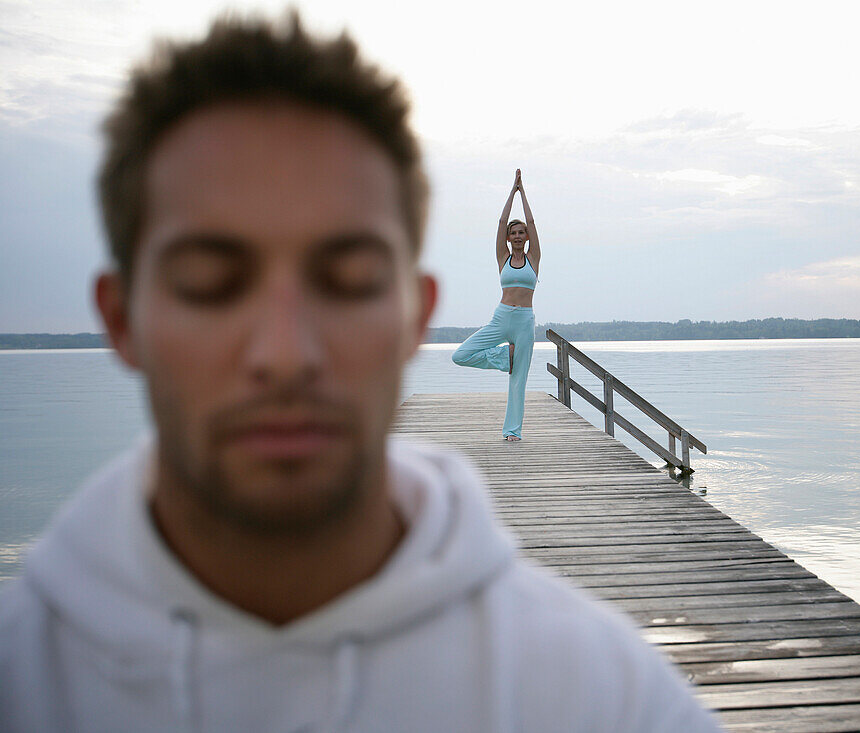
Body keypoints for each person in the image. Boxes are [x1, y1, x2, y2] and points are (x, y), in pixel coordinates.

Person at [0, 11, 721, 733]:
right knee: (499, 359)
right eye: (211, 280)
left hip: (522, 326)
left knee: (513, 377)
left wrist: (525, 196)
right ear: (121, 318)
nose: (284, 353)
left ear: (413, 317)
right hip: (507, 322)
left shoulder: (606, 694)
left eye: (347, 278)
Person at [451, 169, 538, 440]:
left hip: (524, 322)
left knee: (518, 380)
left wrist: (524, 194)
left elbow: (533, 222)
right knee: (461, 354)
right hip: (501, 318)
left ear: (526, 237)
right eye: (513, 233)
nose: (517, 236)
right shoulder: (503, 257)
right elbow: (501, 221)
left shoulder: (534, 258)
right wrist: (512, 191)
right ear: (508, 238)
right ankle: (504, 356)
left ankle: (512, 432)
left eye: (521, 232)